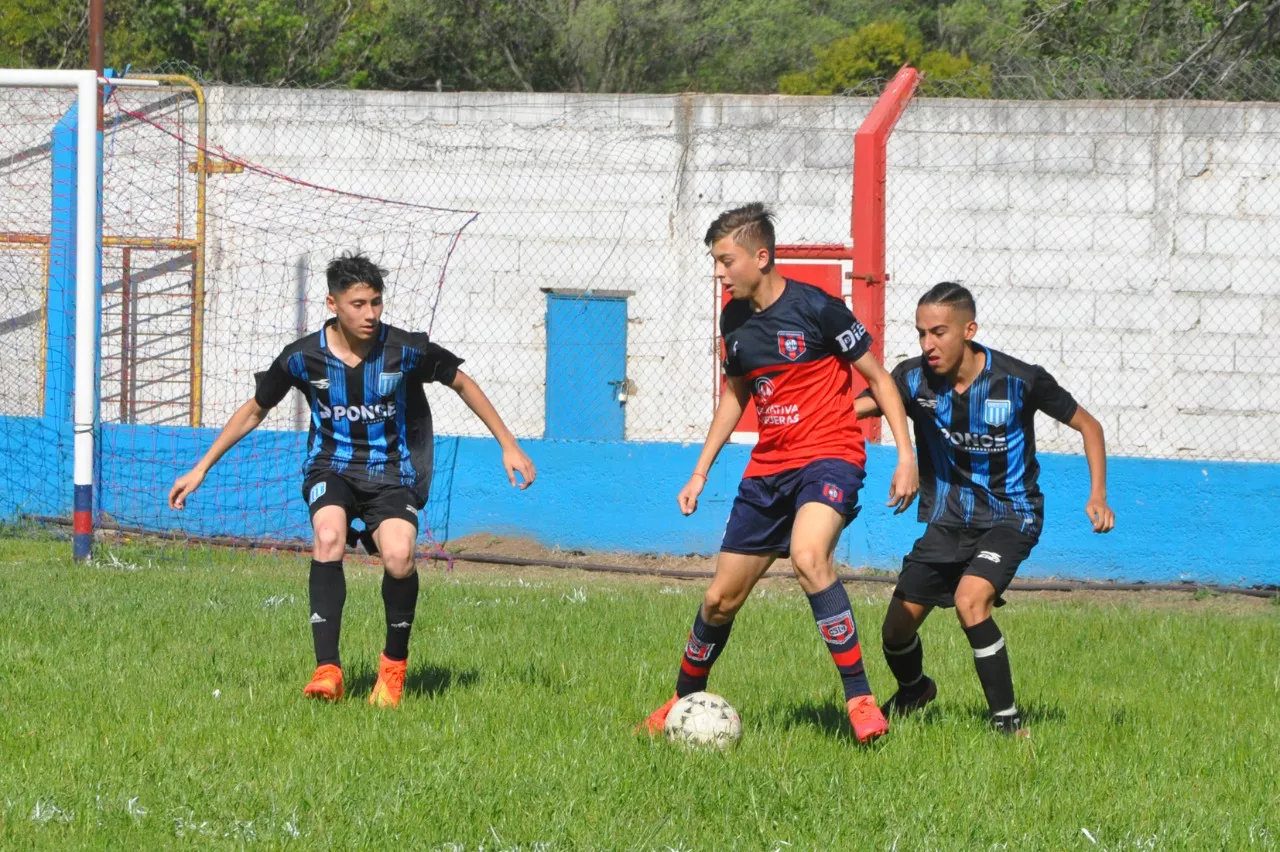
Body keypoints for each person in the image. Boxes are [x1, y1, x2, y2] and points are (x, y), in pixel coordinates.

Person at [168, 252, 535, 707]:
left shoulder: (405, 350)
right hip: (331, 469)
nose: (370, 313)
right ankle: (328, 671)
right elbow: (255, 410)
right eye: (358, 304)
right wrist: (201, 467)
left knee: (400, 557)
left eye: (376, 302)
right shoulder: (302, 358)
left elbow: (461, 382)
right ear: (333, 304)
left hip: (391, 475)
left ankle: (393, 670)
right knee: (328, 536)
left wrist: (508, 443)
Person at [637, 203, 919, 743]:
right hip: (768, 469)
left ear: (761, 257)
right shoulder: (734, 321)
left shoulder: (820, 309)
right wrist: (700, 473)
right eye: (716, 262)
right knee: (720, 600)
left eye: (726, 261)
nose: (719, 273)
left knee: (809, 558)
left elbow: (881, 382)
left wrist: (904, 456)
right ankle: (680, 697)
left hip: (830, 456)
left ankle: (859, 698)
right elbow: (735, 397)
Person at [856, 282, 1114, 735]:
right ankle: (916, 689)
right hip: (949, 518)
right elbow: (864, 406)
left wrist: (1097, 495)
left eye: (939, 332)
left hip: (1012, 515)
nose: (927, 345)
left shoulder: (1019, 380)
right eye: (921, 333)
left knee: (970, 600)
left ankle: (1008, 725)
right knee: (895, 632)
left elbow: (1089, 426)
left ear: (969, 329)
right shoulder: (912, 379)